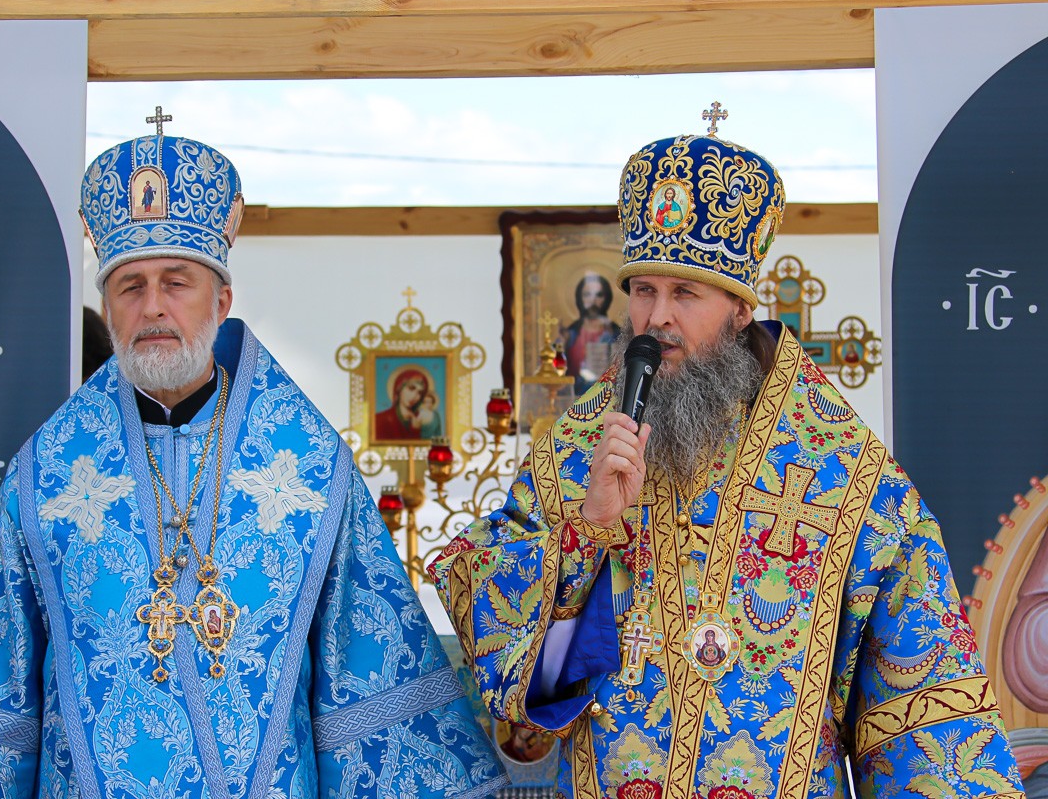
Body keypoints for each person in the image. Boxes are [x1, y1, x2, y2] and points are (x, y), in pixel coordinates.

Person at [0, 125, 506, 798]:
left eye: (176, 282)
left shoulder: (310, 469)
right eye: (130, 286)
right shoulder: (46, 476)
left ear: (221, 301)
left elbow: (371, 683)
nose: (153, 307)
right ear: (107, 308)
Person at [429, 133, 1026, 799]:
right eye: (644, 290)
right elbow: (518, 684)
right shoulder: (571, 457)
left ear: (740, 309)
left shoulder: (847, 475)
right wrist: (586, 535)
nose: (657, 318)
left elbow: (924, 710)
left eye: (685, 293)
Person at [561, 273, 621, 394]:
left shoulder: (616, 333)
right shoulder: (570, 334)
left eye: (599, 295)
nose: (593, 301)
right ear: (580, 298)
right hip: (574, 397)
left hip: (608, 397)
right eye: (587, 294)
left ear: (607, 298)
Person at [373, 366, 442, 440]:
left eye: (420, 393)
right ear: (399, 389)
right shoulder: (380, 419)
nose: (414, 396)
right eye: (411, 388)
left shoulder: (422, 418)